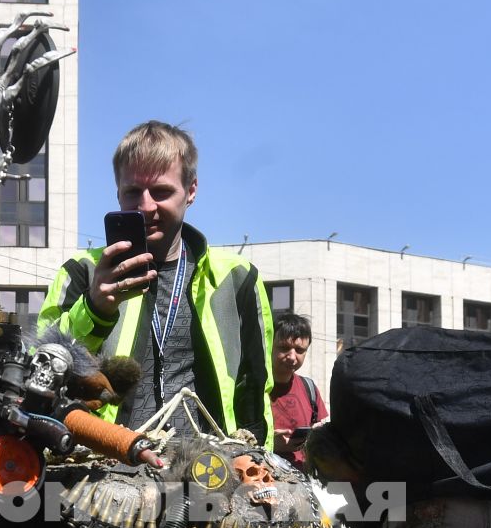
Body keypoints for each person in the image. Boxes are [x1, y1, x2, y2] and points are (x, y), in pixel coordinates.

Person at [40, 120, 273, 439]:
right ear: (118, 193)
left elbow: (255, 390)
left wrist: (258, 471)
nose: (146, 206)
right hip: (107, 464)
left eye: (161, 191)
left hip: (209, 471)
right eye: (133, 191)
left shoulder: (237, 278)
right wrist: (92, 310)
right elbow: (41, 371)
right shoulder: (81, 272)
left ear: (191, 190)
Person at [268, 312, 327, 466]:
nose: (293, 357)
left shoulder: (310, 388)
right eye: (284, 348)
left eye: (300, 350)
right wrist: (269, 443)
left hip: (302, 481)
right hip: (260, 481)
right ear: (269, 345)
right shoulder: (250, 387)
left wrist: (318, 435)